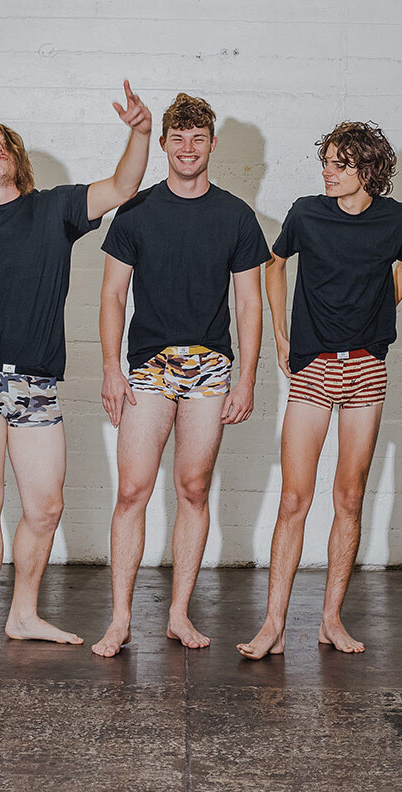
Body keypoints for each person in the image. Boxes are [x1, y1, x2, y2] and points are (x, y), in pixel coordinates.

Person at [0, 81, 153, 657]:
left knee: (46, 507)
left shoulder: (54, 209)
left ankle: (23, 614)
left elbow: (123, 186)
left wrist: (140, 132)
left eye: (5, 142)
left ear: (17, 159)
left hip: (37, 382)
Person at [91, 92, 269, 657]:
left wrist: (247, 378)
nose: (187, 148)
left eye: (198, 139)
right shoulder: (136, 210)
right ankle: (120, 619)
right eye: (178, 138)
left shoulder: (236, 216)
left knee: (193, 489)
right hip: (149, 367)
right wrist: (111, 368)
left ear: (212, 144)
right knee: (132, 491)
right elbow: (112, 295)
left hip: (210, 369)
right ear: (165, 144)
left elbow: (250, 303)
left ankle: (178, 613)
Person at [237, 122, 402, 659]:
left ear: (368, 169)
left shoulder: (396, 219)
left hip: (367, 368)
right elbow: (274, 265)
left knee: (349, 497)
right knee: (295, 498)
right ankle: (273, 625)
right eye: (327, 162)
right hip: (313, 366)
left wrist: (381, 306)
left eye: (340, 164)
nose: (328, 172)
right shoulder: (306, 213)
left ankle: (331, 621)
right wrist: (280, 333)